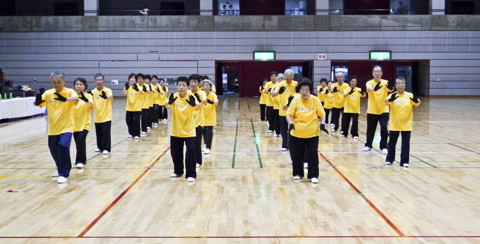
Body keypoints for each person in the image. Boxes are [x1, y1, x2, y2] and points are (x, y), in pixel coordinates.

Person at [34, 71, 78, 184]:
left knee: (63, 146)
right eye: (54, 82)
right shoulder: (48, 93)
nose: (57, 84)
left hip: (67, 127)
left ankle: (64, 172)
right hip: (53, 128)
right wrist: (37, 100)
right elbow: (38, 104)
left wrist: (65, 99)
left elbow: (76, 99)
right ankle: (60, 169)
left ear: (64, 81)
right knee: (53, 149)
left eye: (59, 82)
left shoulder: (69, 91)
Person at [286, 78, 328, 184]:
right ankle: (298, 173)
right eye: (302, 90)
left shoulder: (315, 100)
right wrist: (290, 123)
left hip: (312, 133)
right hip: (297, 132)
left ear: (310, 90)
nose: (304, 92)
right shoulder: (295, 100)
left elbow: (322, 114)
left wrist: (322, 124)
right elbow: (288, 114)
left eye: (306, 90)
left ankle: (313, 175)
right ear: (299, 91)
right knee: (296, 154)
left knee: (313, 154)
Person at [165, 76, 201, 182]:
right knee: (175, 153)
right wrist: (169, 102)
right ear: (176, 86)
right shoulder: (174, 96)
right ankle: (178, 171)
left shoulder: (191, 97)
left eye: (184, 85)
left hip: (189, 130)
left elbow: (198, 107)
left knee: (190, 152)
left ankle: (191, 174)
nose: (181, 87)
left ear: (187, 86)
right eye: (179, 85)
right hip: (176, 130)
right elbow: (166, 106)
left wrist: (193, 104)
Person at [385, 77, 421, 167]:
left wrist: (417, 100)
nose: (401, 85)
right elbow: (386, 102)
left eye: (402, 83)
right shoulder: (392, 95)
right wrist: (389, 100)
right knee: (392, 143)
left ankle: (404, 161)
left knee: (405, 144)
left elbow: (417, 103)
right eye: (399, 83)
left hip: (406, 124)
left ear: (405, 85)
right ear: (395, 85)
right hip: (394, 124)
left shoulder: (409, 95)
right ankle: (390, 159)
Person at [364, 65, 394, 154]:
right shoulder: (369, 82)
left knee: (384, 127)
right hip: (372, 110)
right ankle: (368, 145)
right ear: (372, 73)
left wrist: (391, 86)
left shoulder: (385, 82)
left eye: (379, 71)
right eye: (375, 71)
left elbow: (391, 89)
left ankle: (384, 146)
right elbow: (369, 88)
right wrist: (373, 89)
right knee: (370, 129)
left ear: (382, 73)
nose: (377, 73)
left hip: (384, 110)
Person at [273, 69, 298, 151]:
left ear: (293, 77)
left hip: (294, 111)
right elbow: (273, 95)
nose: (288, 80)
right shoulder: (281, 84)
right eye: (287, 78)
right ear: (284, 77)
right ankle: (284, 144)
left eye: (290, 78)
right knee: (283, 129)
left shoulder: (296, 84)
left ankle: (292, 144)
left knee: (293, 128)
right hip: (282, 111)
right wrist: (279, 92)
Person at [90, 73, 113, 155]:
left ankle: (107, 148)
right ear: (94, 81)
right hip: (97, 116)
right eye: (97, 80)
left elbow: (110, 96)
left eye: (100, 80)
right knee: (98, 133)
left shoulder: (108, 90)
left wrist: (106, 97)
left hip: (106, 116)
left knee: (106, 133)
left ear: (103, 81)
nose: (98, 81)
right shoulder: (92, 92)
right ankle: (100, 147)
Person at [73, 77, 93, 169]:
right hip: (74, 125)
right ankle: (83, 159)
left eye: (81, 84)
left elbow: (91, 105)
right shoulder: (72, 96)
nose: (78, 86)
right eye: (77, 84)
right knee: (78, 143)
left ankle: (79, 161)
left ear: (85, 86)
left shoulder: (88, 96)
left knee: (81, 140)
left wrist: (86, 100)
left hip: (85, 124)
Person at [189, 74, 207, 167]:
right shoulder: (187, 93)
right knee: (190, 144)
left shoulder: (202, 93)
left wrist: (201, 100)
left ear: (199, 83)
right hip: (188, 123)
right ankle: (191, 160)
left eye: (195, 82)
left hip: (199, 122)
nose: (193, 83)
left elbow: (204, 100)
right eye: (191, 81)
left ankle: (198, 161)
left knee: (197, 143)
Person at [201, 80, 218, 154]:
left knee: (209, 132)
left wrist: (211, 102)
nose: (205, 87)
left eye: (207, 85)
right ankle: (205, 145)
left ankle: (208, 147)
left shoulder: (212, 95)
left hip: (210, 116)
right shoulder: (201, 94)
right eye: (204, 85)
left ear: (210, 87)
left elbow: (216, 102)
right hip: (202, 116)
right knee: (203, 132)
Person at [124, 73, 141, 141]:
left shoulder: (138, 86)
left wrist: (137, 89)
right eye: (131, 78)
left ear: (136, 80)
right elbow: (125, 93)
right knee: (128, 121)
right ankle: (131, 133)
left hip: (137, 107)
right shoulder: (127, 87)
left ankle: (137, 134)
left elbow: (142, 93)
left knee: (136, 121)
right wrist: (126, 88)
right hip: (129, 107)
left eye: (133, 78)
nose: (132, 79)